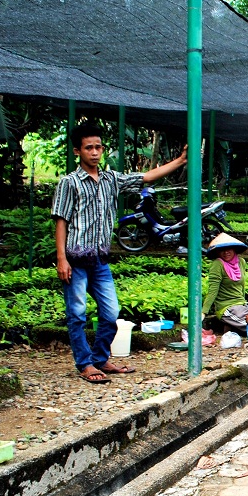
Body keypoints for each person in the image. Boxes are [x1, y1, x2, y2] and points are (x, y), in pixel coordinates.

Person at [52, 122, 187, 384]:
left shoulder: (111, 180)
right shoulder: (69, 183)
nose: (94, 152)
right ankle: (85, 364)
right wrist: (61, 258)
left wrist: (181, 160)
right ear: (77, 151)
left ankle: (100, 358)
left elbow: (146, 177)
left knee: (111, 313)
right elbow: (61, 221)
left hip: (100, 261)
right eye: (88, 148)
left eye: (98, 147)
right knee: (77, 315)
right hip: (76, 260)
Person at [203, 233, 248, 329]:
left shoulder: (241, 262)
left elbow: (242, 285)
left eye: (228, 249)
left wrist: (244, 302)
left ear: (234, 249)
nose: (226, 252)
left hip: (242, 304)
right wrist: (204, 312)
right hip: (227, 307)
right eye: (222, 250)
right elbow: (213, 290)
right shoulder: (217, 264)